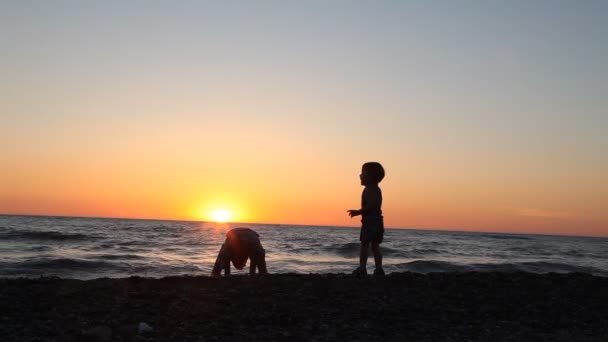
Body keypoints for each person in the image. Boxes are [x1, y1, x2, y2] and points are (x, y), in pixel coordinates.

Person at [347, 162, 385, 276]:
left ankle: (363, 268)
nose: (360, 175)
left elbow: (373, 204)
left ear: (371, 176)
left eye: (363, 173)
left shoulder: (371, 189)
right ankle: (378, 269)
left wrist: (359, 212)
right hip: (376, 221)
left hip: (371, 221)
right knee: (374, 246)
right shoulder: (373, 189)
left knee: (365, 244)